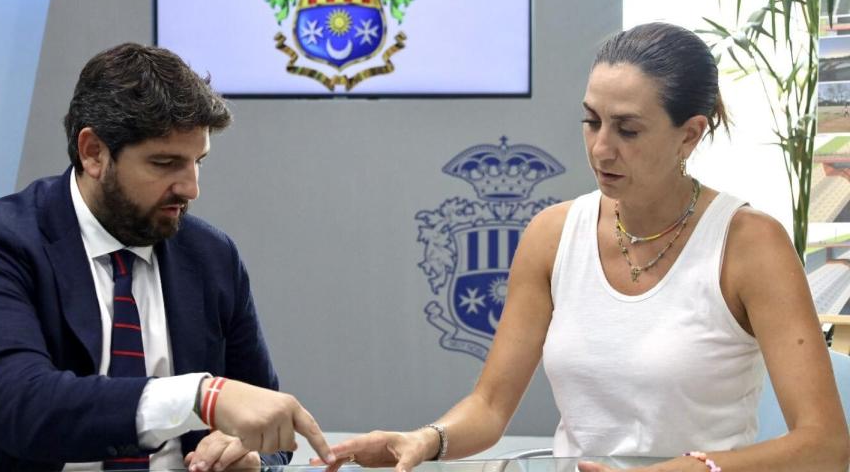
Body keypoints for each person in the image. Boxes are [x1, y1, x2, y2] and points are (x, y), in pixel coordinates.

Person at [318, 23, 850, 472]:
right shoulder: (552, 234)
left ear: (689, 135)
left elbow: (825, 445)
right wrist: (427, 439)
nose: (601, 148)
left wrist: (688, 469)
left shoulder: (749, 244)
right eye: (591, 121)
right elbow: (489, 406)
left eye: (628, 130)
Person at [0, 43, 335, 472]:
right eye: (165, 163)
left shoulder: (212, 256)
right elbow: (22, 408)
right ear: (93, 152)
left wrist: (250, 453)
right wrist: (199, 397)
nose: (191, 188)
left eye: (198, 162)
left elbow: (263, 415)